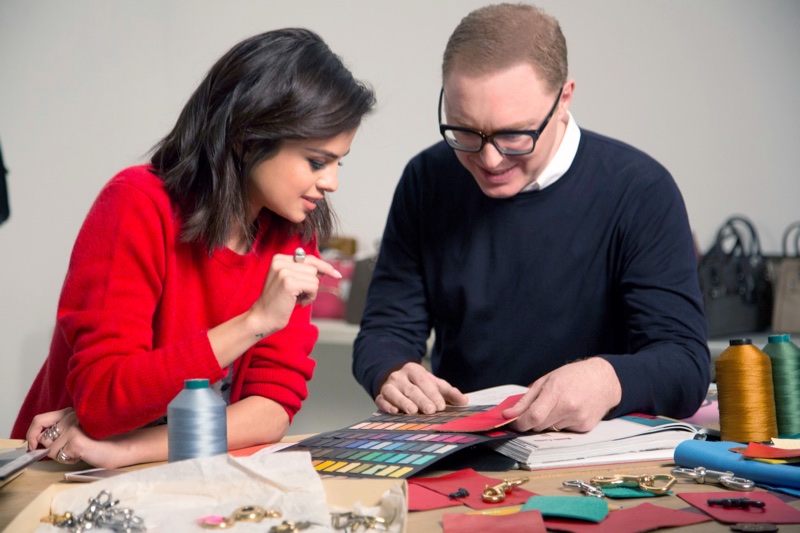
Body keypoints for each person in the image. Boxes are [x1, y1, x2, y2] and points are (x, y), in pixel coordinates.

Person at [12, 28, 375, 468]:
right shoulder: (135, 204)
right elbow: (103, 398)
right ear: (248, 136)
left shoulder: (294, 232)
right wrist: (255, 322)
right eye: (317, 161)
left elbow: (270, 410)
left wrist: (124, 452)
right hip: (60, 473)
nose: (331, 182)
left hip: (162, 469)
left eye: (340, 162)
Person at [352, 3, 709, 434]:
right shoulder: (426, 179)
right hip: (465, 447)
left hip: (597, 455)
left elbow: (686, 364)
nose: (488, 158)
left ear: (564, 99)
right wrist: (392, 371)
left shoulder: (641, 190)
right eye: (464, 131)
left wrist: (607, 378)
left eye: (513, 135)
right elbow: (384, 331)